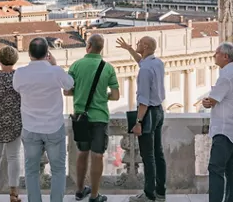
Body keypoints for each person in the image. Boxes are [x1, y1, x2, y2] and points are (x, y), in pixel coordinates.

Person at [12, 38, 74, 202]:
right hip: (53, 127)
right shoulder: (56, 72)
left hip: (31, 128)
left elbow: (16, 88)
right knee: (58, 170)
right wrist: (54, 65)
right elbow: (69, 85)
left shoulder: (20, 73)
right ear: (47, 53)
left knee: (31, 170)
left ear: (29, 54)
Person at [67, 34, 120, 202]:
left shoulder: (76, 65)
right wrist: (102, 97)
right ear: (101, 48)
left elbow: (67, 91)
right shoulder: (108, 68)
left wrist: (80, 92)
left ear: (88, 46)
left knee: (82, 153)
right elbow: (116, 96)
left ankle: (79, 190)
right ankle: (95, 195)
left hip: (80, 117)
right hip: (99, 117)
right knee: (97, 155)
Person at [116, 36, 167, 202]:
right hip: (159, 110)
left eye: (139, 43)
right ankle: (160, 192)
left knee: (148, 156)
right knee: (158, 154)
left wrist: (138, 122)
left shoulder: (145, 70)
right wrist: (130, 49)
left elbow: (143, 100)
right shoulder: (157, 63)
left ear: (145, 46)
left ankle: (149, 194)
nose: (137, 44)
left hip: (148, 113)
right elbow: (141, 62)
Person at [202, 42, 233, 202]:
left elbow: (211, 101)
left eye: (217, 53)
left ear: (225, 56)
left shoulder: (227, 76)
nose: (214, 56)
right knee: (231, 169)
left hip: (224, 129)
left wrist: (206, 101)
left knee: (216, 168)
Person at [0, 46, 23, 202]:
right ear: (15, 60)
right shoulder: (19, 77)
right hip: (15, 122)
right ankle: (13, 194)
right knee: (14, 157)